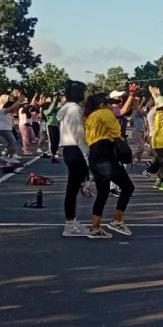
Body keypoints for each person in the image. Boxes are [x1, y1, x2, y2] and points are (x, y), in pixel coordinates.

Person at [84, 92, 135, 237]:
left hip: (94, 155)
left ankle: (95, 228)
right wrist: (121, 140)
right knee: (128, 187)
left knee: (103, 193)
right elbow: (116, 131)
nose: (113, 106)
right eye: (110, 104)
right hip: (105, 156)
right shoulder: (104, 113)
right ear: (102, 105)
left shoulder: (89, 117)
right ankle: (117, 221)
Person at [59, 81, 91, 237]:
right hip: (75, 149)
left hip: (69, 149)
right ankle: (70, 225)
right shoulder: (74, 109)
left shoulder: (67, 108)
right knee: (72, 189)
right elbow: (79, 134)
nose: (87, 95)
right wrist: (86, 154)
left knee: (73, 188)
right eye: (85, 92)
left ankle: (71, 222)